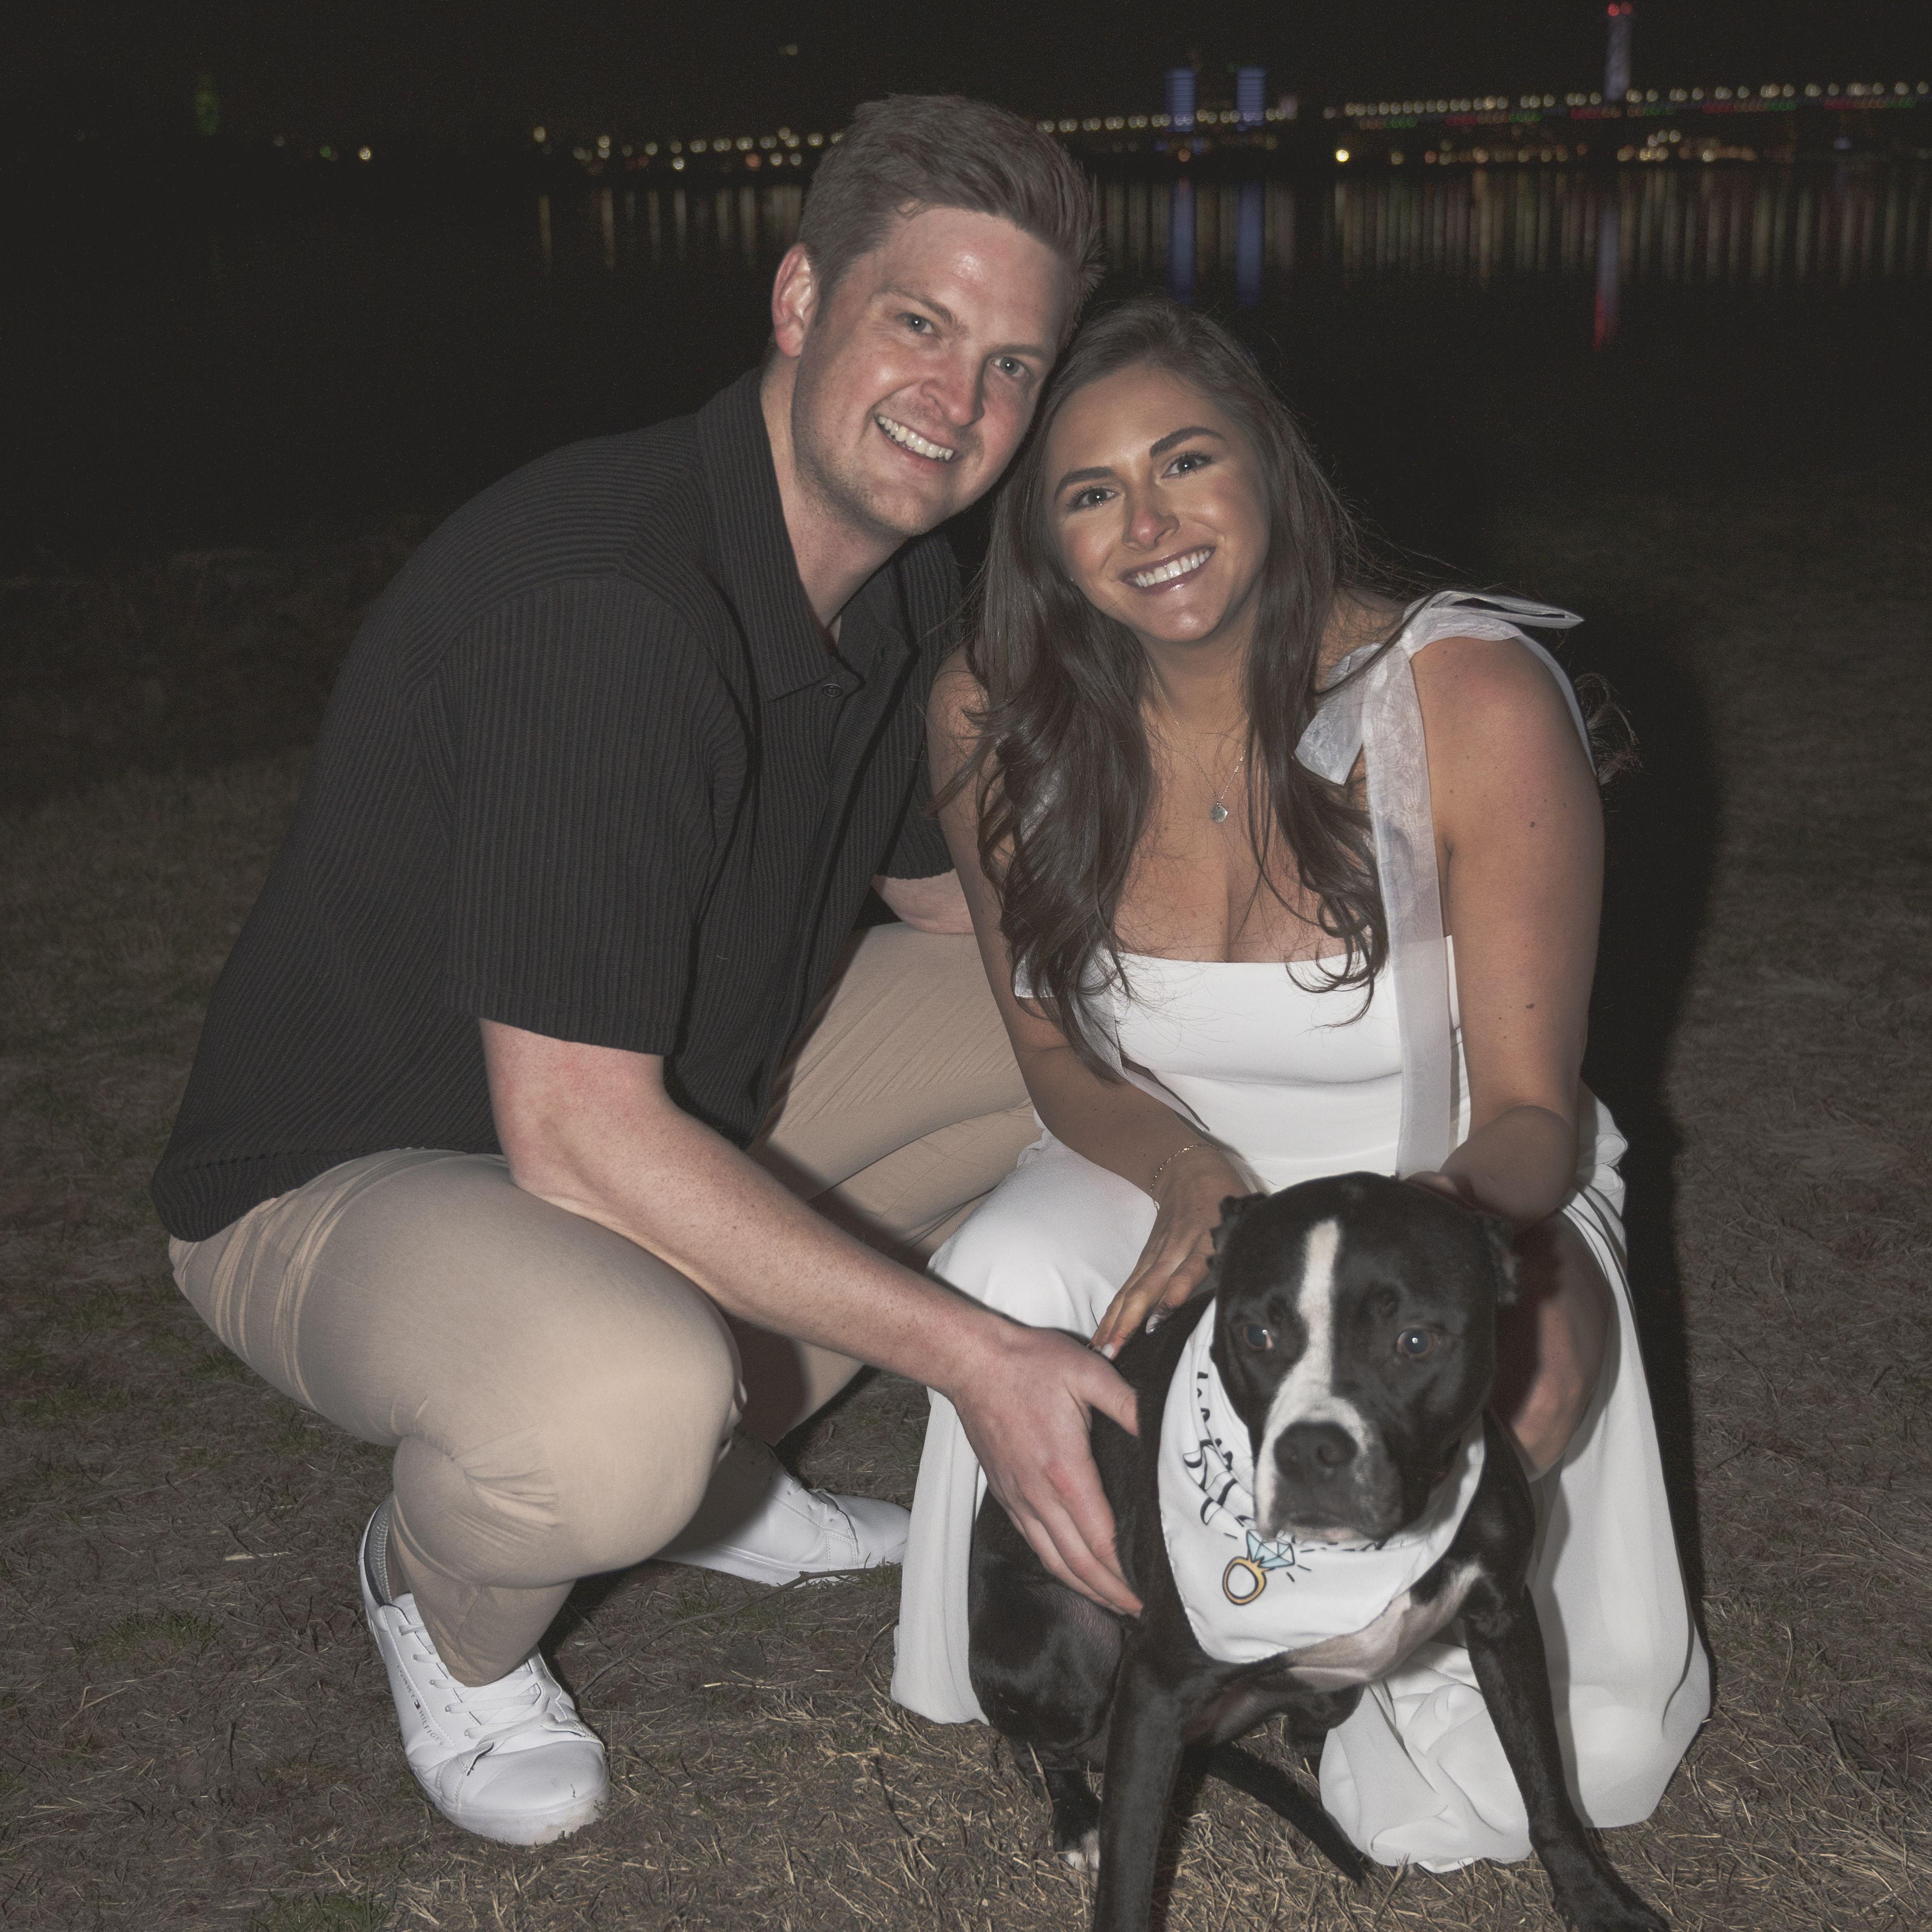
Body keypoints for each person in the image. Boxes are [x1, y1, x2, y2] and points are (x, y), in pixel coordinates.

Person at [150, 96, 1146, 1850]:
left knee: (1090, 1036)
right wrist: (980, 1359)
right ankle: (442, 1604)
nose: (960, 400)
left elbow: (955, 922)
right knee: (617, 1409)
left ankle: (715, 1480)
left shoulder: (899, 592)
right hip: (350, 1172)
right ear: (800, 301)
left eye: (1010, 363)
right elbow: (578, 1137)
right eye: (918, 323)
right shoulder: (612, 604)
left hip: (647, 1105)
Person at [892, 293, 1709, 1870]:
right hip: (1159, 1158)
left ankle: (1374, 1652)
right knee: (1002, 1269)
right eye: (1091, 492)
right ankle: (1109, 1632)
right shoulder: (995, 713)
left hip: (1456, 1180)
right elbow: (1053, 1054)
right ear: (1044, 539)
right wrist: (1189, 1173)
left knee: (1551, 1744)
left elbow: (1530, 1113)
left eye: (1187, 461)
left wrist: (1441, 1239)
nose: (1150, 525)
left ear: (1269, 463)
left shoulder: (1466, 696)